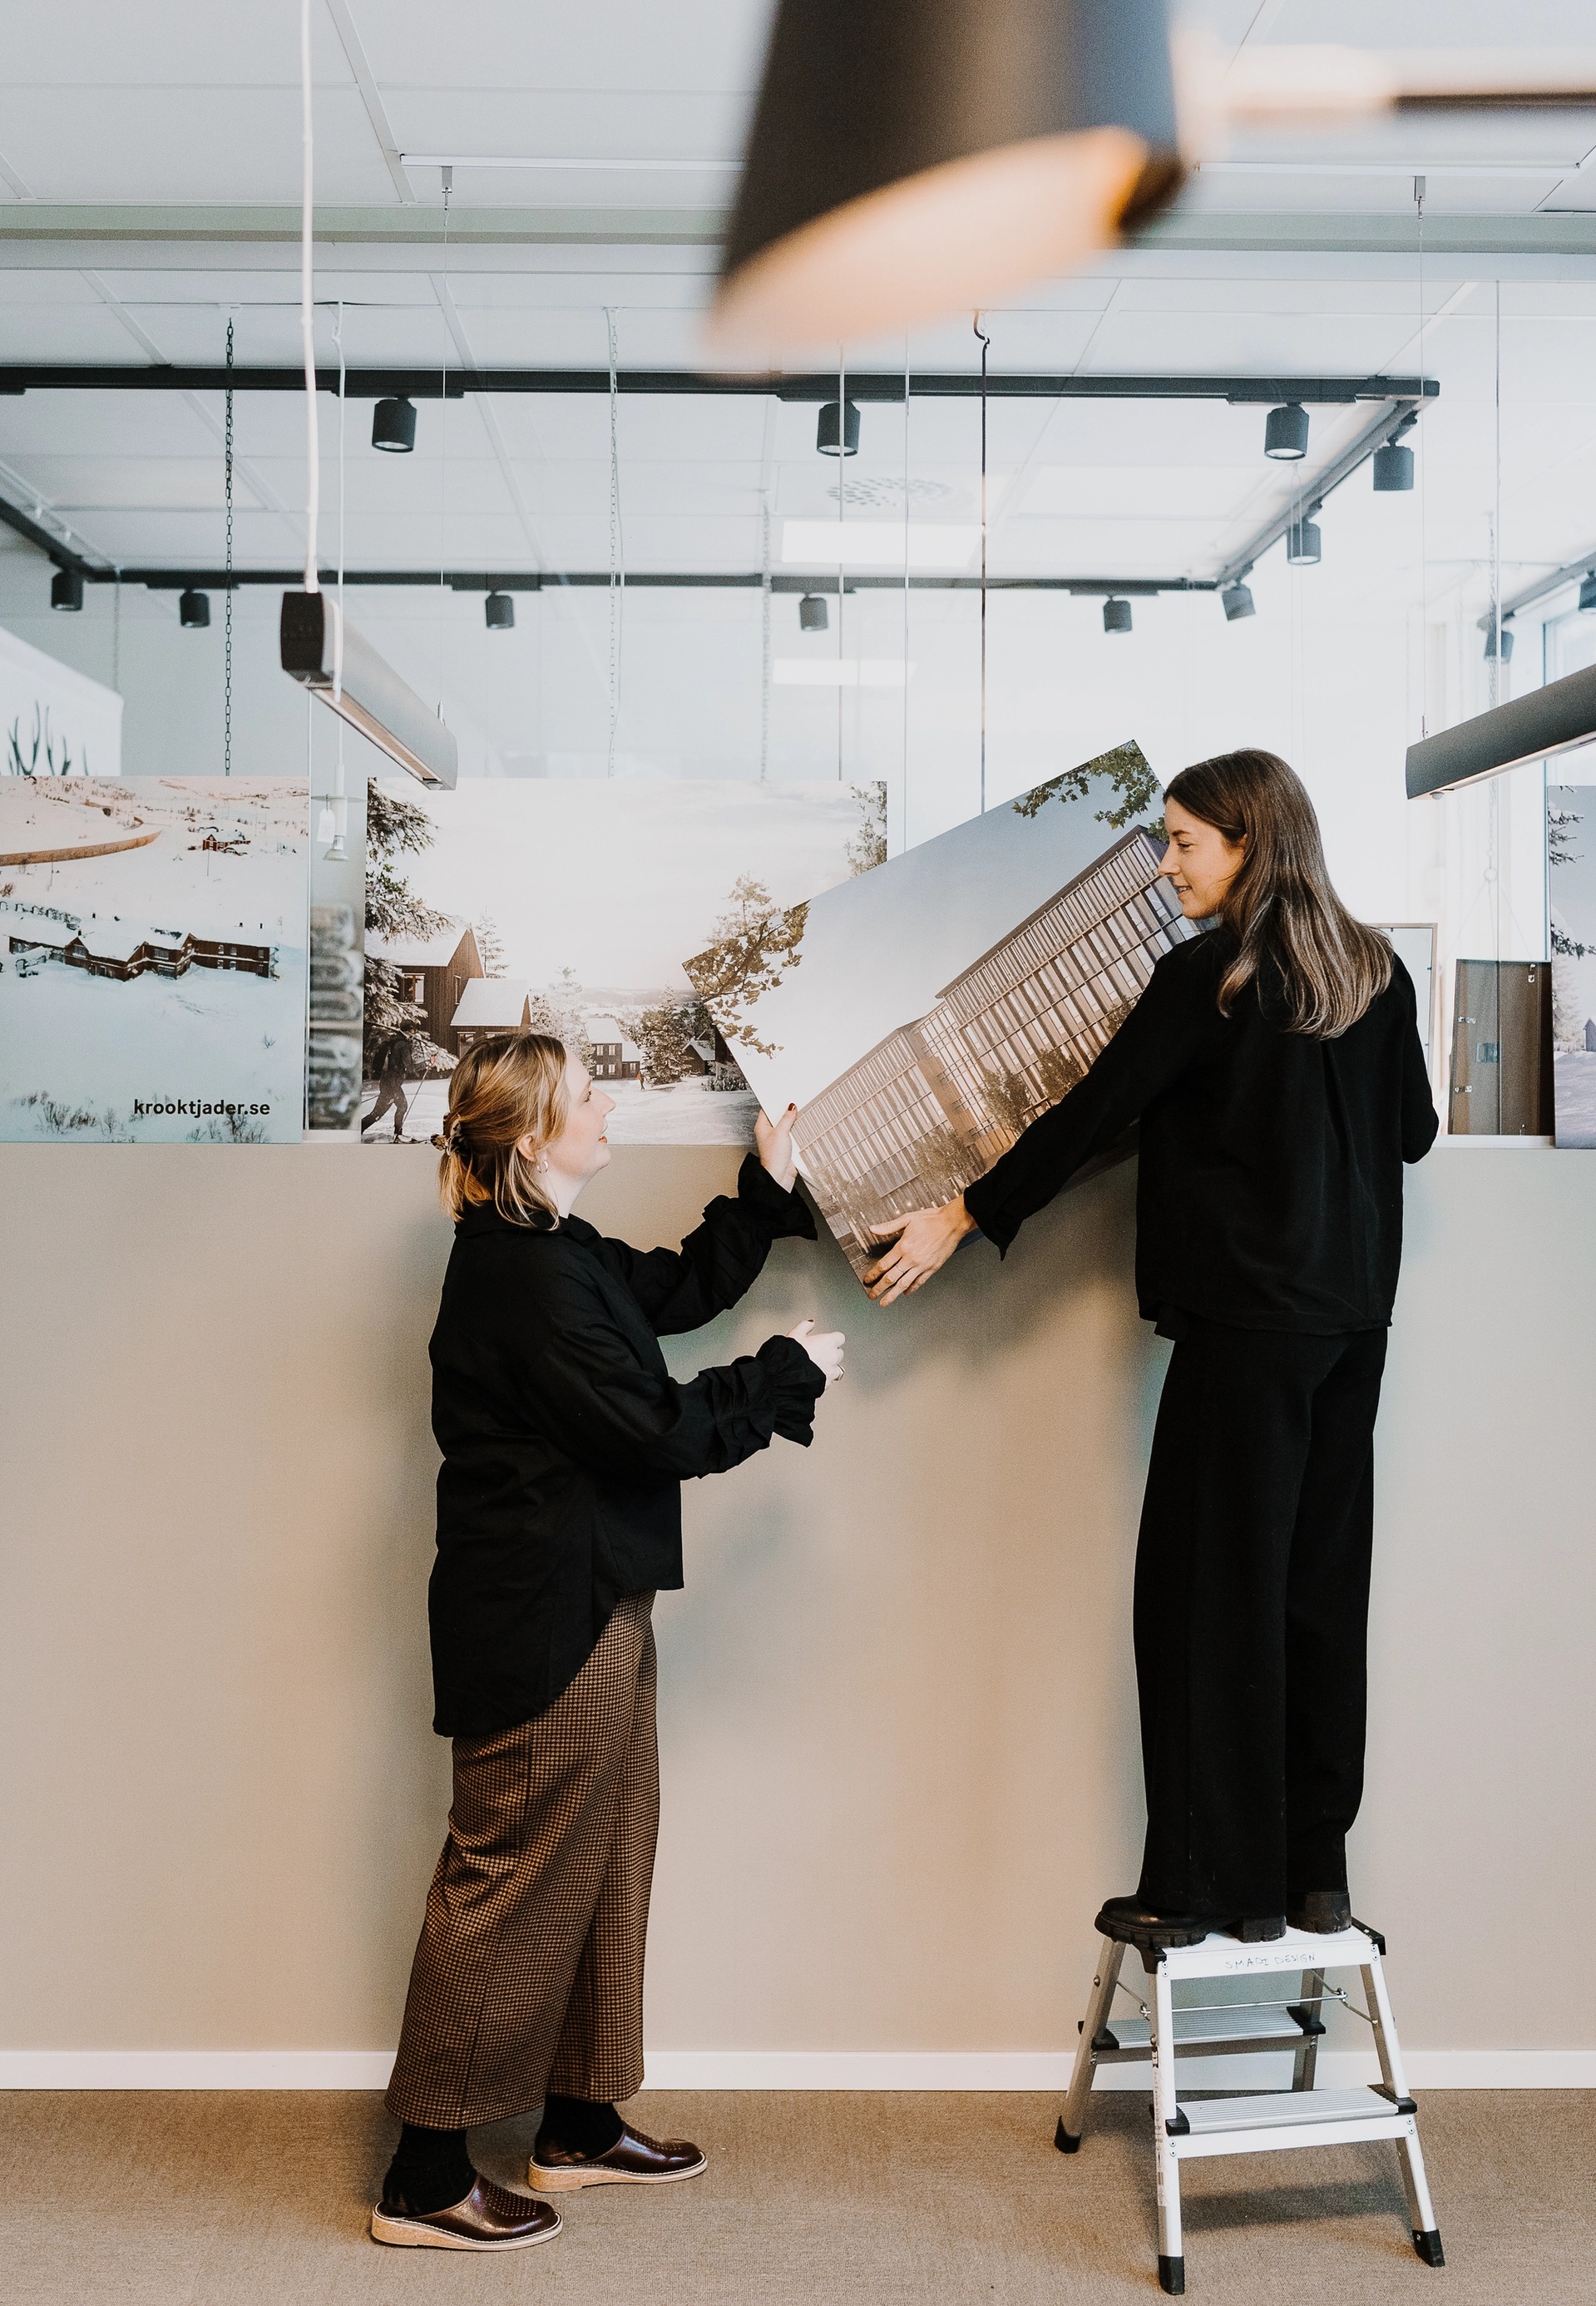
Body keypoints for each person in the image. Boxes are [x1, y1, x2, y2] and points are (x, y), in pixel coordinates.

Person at [866, 750, 1437, 1955]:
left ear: (1246, 841)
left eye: (1182, 840)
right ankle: (1308, 1872)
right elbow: (1413, 1133)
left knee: (1200, 1600)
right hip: (1348, 1329)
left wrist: (959, 1211)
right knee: (1316, 1596)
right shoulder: (1375, 972)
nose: (1164, 861)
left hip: (1242, 1329)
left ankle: (1196, 1884)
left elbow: (1091, 1107)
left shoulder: (1209, 978)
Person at [373, 1032, 842, 2251]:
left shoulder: (554, 1250)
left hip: (599, 1590)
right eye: (587, 1093)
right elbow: (656, 1430)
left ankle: (575, 2120)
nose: (608, 1100)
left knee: (607, 1854)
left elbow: (673, 1291)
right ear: (530, 1136)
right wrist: (783, 1372)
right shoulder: (516, 1282)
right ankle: (424, 2173)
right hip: (541, 1611)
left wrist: (767, 1177)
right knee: (510, 1874)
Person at [360, 1025, 413, 1141]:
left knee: (377, 1113)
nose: (414, 1033)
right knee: (402, 1106)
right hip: (393, 1084)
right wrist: (428, 1063)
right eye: (413, 1030)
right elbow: (410, 1067)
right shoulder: (403, 1044)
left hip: (386, 1081)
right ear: (408, 1031)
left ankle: (356, 1131)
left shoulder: (393, 1041)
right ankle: (398, 1135)